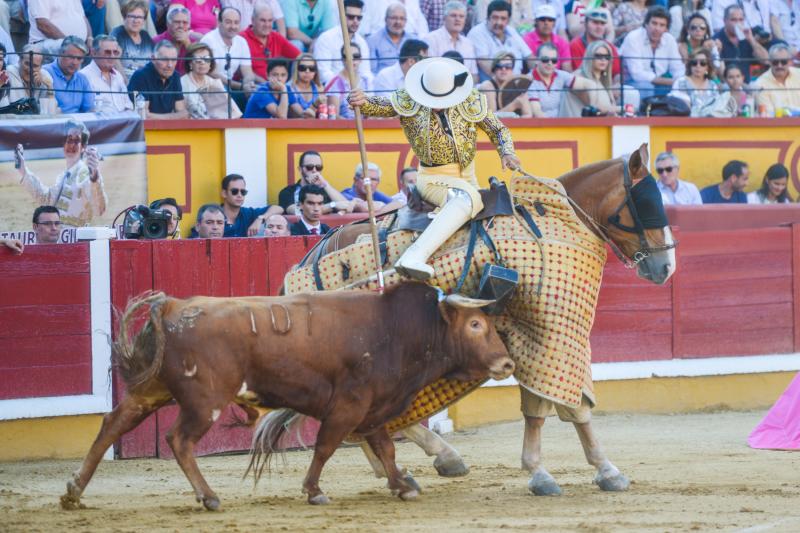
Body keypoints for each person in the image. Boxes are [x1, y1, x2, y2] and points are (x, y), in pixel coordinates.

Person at [349, 56, 520, 280]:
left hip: (469, 177)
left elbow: (498, 130)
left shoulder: (469, 99)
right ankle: (414, 256)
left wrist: (507, 152)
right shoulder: (409, 100)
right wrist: (361, 100)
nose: (438, 103)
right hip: (432, 179)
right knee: (467, 199)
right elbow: (378, 105)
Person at [16, 120, 108, 227]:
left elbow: (99, 209)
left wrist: (95, 179)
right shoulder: (64, 176)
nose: (71, 145)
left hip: (76, 239)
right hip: (60, 237)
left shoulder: (86, 173)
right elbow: (47, 199)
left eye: (76, 141)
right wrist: (23, 170)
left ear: (83, 147)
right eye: (68, 140)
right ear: (63, 144)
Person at [620, 6, 684, 99]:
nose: (657, 28)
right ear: (646, 24)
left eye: (662, 25)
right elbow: (637, 74)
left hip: (659, 84)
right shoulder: (633, 38)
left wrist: (679, 82)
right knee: (646, 87)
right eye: (654, 23)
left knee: (680, 87)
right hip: (631, 83)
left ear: (666, 29)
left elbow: (678, 68)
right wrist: (669, 81)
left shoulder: (669, 39)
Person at [200, 6, 257, 101]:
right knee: (222, 90)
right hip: (210, 87)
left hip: (231, 86)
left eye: (236, 22)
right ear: (219, 23)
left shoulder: (242, 42)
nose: (233, 26)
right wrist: (241, 86)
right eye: (228, 22)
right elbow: (212, 73)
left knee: (259, 94)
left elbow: (248, 71)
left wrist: (248, 84)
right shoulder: (208, 40)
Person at [467, 0, 533, 81]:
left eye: (503, 18)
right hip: (491, 88)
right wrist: (510, 84)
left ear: (508, 20)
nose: (499, 22)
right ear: (488, 18)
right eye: (495, 18)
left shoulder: (511, 31)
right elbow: (484, 63)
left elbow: (530, 57)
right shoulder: (477, 33)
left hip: (516, 86)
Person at [314, 0, 373, 85]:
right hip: (333, 91)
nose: (355, 21)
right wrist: (344, 84)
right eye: (351, 17)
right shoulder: (326, 38)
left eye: (359, 18)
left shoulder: (362, 43)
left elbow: (365, 72)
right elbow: (323, 73)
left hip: (356, 91)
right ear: (341, 16)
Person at [277, 150, 353, 214]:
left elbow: (347, 206)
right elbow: (296, 210)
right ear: (300, 169)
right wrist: (332, 205)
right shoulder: (288, 191)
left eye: (318, 167)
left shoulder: (325, 191)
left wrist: (325, 184)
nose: (314, 170)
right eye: (309, 167)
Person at [528, 43, 593, 117]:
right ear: (536, 60)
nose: (550, 63)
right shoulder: (529, 80)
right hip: (540, 126)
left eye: (554, 60)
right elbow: (537, 112)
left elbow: (587, 84)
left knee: (576, 90)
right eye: (545, 59)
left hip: (561, 124)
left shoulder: (560, 75)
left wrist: (594, 103)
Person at [128, 40, 189, 119]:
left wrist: (157, 117)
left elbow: (183, 114)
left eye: (173, 60)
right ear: (153, 59)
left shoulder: (175, 75)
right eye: (164, 59)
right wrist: (174, 117)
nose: (170, 65)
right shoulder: (140, 76)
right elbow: (144, 116)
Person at [240, 3, 300, 82]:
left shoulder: (276, 37)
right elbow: (243, 71)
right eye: (263, 20)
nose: (267, 25)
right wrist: (267, 84)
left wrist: (292, 82)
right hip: (253, 87)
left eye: (270, 20)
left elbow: (300, 57)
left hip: (278, 86)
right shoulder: (241, 38)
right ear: (253, 20)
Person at [559, 41, 622, 116]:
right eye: (598, 56)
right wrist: (623, 108)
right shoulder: (578, 76)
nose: (603, 60)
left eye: (607, 57)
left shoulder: (602, 81)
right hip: (576, 126)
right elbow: (596, 108)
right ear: (589, 56)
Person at [181, 41, 242, 118]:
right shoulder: (182, 84)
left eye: (207, 59)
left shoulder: (214, 83)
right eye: (198, 59)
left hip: (216, 127)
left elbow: (234, 114)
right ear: (190, 63)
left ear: (210, 63)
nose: (202, 63)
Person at [713, 5, 769, 83]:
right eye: (734, 20)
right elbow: (721, 74)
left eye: (741, 20)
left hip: (747, 83)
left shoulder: (747, 37)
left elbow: (766, 60)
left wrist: (751, 39)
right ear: (725, 21)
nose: (738, 23)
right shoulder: (717, 39)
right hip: (728, 86)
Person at [423, 1, 479, 79]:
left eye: (461, 16)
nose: (457, 19)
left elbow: (473, 74)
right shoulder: (431, 39)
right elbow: (428, 71)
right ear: (444, 18)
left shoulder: (468, 44)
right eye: (453, 15)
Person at [80, 34, 133, 114]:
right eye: (107, 52)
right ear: (94, 53)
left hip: (124, 122)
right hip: (99, 125)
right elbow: (85, 110)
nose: (112, 56)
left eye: (115, 52)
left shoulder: (118, 75)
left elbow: (128, 105)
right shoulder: (83, 76)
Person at [216, 173, 282, 237]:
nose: (239, 195)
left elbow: (278, 208)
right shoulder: (214, 216)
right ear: (224, 193)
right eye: (234, 191)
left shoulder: (248, 213)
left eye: (243, 192)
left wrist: (261, 218)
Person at [44, 36, 95, 113]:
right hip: (54, 122)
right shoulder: (45, 73)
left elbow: (89, 110)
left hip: (79, 123)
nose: (75, 62)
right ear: (60, 53)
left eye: (79, 58)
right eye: (71, 57)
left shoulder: (82, 79)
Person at [3, 44, 58, 114]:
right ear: (19, 61)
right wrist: (36, 108)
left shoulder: (44, 76)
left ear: (41, 67)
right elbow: (14, 109)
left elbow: (50, 112)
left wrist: (50, 87)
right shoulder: (9, 73)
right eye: (27, 64)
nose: (30, 69)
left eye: (35, 66)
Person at [477, 51, 533, 116]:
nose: (503, 69)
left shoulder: (517, 86)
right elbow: (491, 118)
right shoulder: (487, 86)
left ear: (512, 69)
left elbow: (528, 115)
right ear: (494, 68)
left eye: (508, 66)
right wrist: (513, 105)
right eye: (499, 66)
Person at [324, 42, 371, 119]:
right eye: (348, 56)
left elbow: (370, 113)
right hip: (343, 129)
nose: (352, 60)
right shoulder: (334, 82)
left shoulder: (366, 81)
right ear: (342, 60)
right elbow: (333, 116)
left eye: (356, 56)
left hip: (365, 128)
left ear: (361, 59)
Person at [569, 8, 621, 78]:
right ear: (586, 23)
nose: (599, 27)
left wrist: (616, 85)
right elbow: (580, 74)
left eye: (602, 23)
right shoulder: (576, 44)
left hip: (608, 85)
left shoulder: (609, 46)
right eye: (595, 22)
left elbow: (617, 74)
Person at [366, 3, 416, 75]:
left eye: (402, 18)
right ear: (385, 19)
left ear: (406, 21)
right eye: (394, 18)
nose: (398, 22)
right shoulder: (373, 41)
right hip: (383, 84)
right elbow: (372, 72)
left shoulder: (414, 40)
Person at [110, 0, 154, 80]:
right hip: (125, 83)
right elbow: (115, 61)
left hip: (146, 83)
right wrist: (126, 83)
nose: (136, 21)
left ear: (144, 20)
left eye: (140, 17)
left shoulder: (146, 36)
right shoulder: (118, 33)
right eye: (132, 16)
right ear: (124, 17)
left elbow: (153, 62)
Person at [668, 49, 722, 115]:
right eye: (694, 63)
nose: (698, 66)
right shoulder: (681, 82)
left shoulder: (712, 85)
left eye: (702, 63)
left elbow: (717, 109)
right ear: (690, 65)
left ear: (707, 67)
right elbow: (683, 109)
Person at [752, 43, 800, 115]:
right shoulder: (760, 84)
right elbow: (767, 114)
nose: (779, 66)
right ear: (770, 62)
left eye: (783, 62)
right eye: (775, 62)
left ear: (790, 62)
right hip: (777, 125)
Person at [523, 4, 572, 72]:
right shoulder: (527, 40)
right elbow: (533, 67)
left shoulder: (562, 42)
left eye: (550, 20)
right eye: (542, 19)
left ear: (554, 23)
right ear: (536, 22)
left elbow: (567, 70)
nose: (546, 23)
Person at [152, 5, 198, 75]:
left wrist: (187, 44)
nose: (181, 26)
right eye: (177, 22)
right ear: (168, 24)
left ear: (189, 25)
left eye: (185, 22)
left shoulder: (194, 42)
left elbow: (200, 64)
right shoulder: (156, 41)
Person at [362, 0, 429, 38]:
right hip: (382, 44)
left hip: (411, 45)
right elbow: (364, 31)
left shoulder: (413, 2)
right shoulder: (371, 2)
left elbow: (423, 29)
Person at [287, 53, 323, 118]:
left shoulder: (319, 88)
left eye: (312, 68)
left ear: (315, 71)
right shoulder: (289, 87)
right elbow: (303, 116)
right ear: (296, 69)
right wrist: (315, 104)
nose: (307, 71)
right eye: (302, 68)